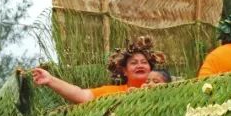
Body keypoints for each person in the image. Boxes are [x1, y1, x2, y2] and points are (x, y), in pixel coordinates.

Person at [31, 36, 166, 104]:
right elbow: (81, 95)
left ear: (150, 67)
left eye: (144, 62)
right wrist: (50, 80)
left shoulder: (166, 89)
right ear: (124, 70)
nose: (140, 65)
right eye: (134, 63)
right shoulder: (113, 93)